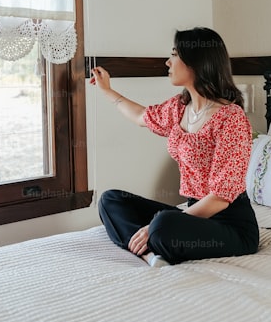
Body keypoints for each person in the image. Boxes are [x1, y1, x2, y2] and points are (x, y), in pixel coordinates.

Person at [89, 27, 259, 267]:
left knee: (163, 224)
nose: (168, 62)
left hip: (230, 224)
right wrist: (107, 90)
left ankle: (153, 240)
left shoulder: (231, 118)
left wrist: (155, 226)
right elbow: (141, 116)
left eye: (174, 55)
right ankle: (150, 254)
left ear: (196, 62)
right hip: (192, 216)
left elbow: (221, 198)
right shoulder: (180, 107)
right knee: (112, 200)